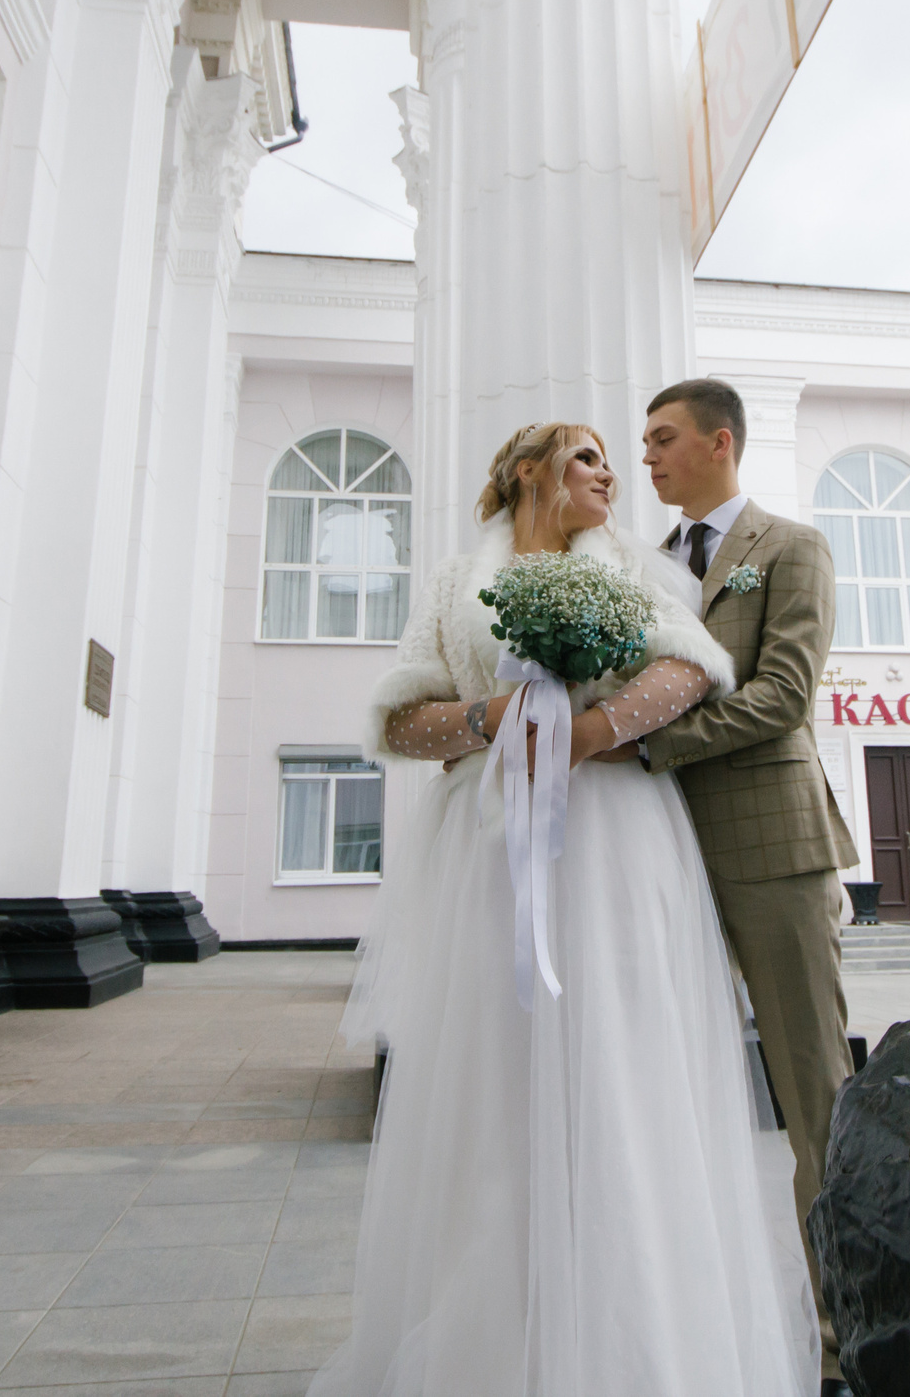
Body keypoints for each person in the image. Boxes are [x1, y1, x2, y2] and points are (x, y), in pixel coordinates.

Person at [314, 422, 818, 1397]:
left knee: (616, 1063)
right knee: (498, 1080)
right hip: (487, 851)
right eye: (587, 457)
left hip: (611, 841)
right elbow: (400, 717)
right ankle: (496, 1338)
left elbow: (689, 666)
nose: (610, 473)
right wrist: (487, 718)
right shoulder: (455, 583)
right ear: (525, 470)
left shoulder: (627, 566)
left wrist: (589, 729)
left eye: (611, 460)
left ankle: (631, 1340)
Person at [618, 378, 861, 1396]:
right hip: (660, 855)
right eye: (642, 441)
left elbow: (783, 695)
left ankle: (845, 1338)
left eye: (663, 438)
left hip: (772, 851)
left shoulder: (790, 547)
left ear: (720, 442)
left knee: (815, 1103)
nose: (646, 456)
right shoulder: (640, 568)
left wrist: (640, 746)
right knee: (666, 1098)